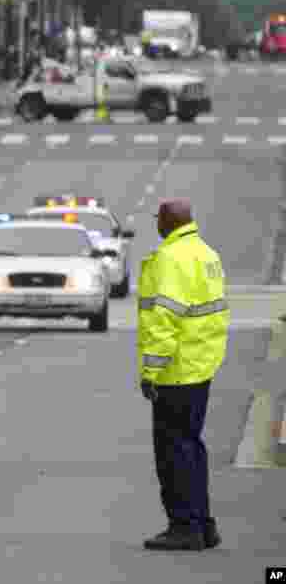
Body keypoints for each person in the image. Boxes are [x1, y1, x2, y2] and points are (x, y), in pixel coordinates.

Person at [138, 199, 229, 551]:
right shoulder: (206, 254)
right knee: (191, 444)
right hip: (200, 364)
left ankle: (184, 526)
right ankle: (204, 524)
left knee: (172, 450)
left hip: (175, 370)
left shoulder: (171, 258)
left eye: (158, 218)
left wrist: (151, 372)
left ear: (167, 221)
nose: (156, 224)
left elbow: (164, 321)